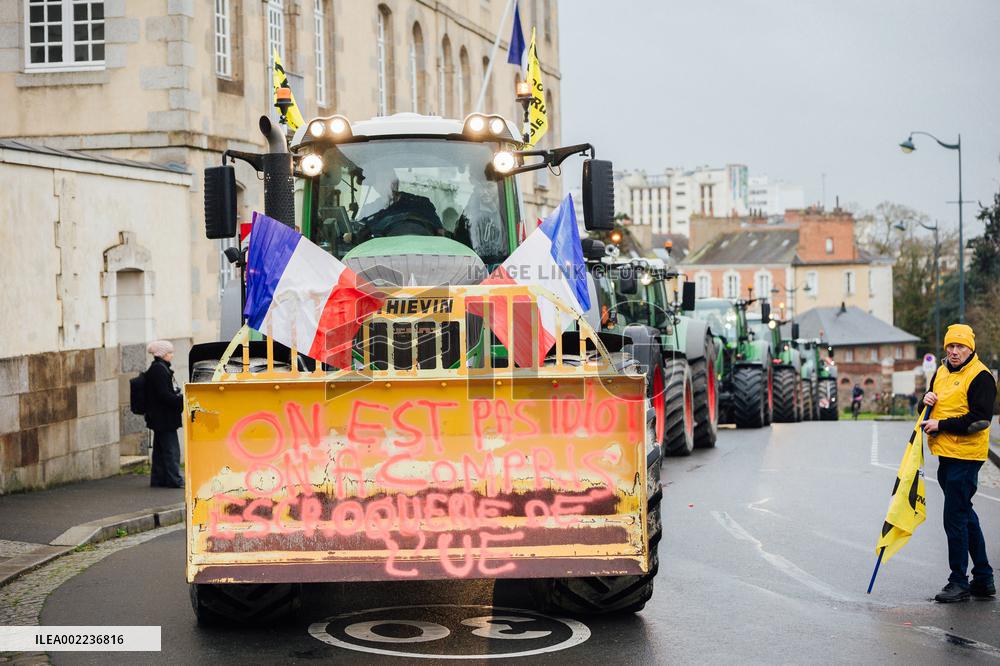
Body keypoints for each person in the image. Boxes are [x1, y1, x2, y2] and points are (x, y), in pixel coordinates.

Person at [921, 324, 996, 602]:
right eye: (950, 346)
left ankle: (959, 581)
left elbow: (980, 419)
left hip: (966, 457)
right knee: (965, 514)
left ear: (971, 348)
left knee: (954, 518)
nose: (954, 351)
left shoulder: (981, 376)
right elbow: (929, 409)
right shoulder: (941, 372)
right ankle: (984, 578)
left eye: (960, 347)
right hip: (946, 455)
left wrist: (941, 425)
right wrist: (924, 401)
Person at [145, 340, 184, 488]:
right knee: (171, 449)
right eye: (169, 353)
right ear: (162, 354)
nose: (172, 356)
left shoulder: (158, 368)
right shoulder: (160, 370)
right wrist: (180, 400)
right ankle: (174, 479)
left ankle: (159, 478)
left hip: (159, 417)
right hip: (164, 417)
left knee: (160, 450)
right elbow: (163, 395)